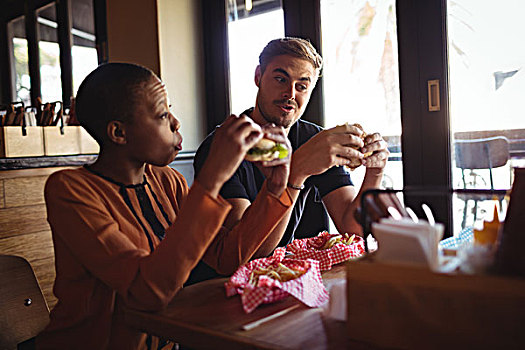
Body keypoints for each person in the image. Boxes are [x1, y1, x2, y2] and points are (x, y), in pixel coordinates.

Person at [36, 62, 293, 349]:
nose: (176, 122)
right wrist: (211, 178)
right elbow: (145, 292)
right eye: (161, 114)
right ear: (118, 133)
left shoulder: (167, 180)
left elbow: (226, 257)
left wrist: (275, 188)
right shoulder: (70, 190)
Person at [190, 37, 389, 282]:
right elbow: (246, 254)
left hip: (304, 282)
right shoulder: (225, 146)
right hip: (234, 289)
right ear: (258, 77)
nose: (290, 94)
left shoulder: (312, 138)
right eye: (280, 79)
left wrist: (375, 172)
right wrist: (298, 170)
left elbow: (352, 227)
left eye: (302, 86)